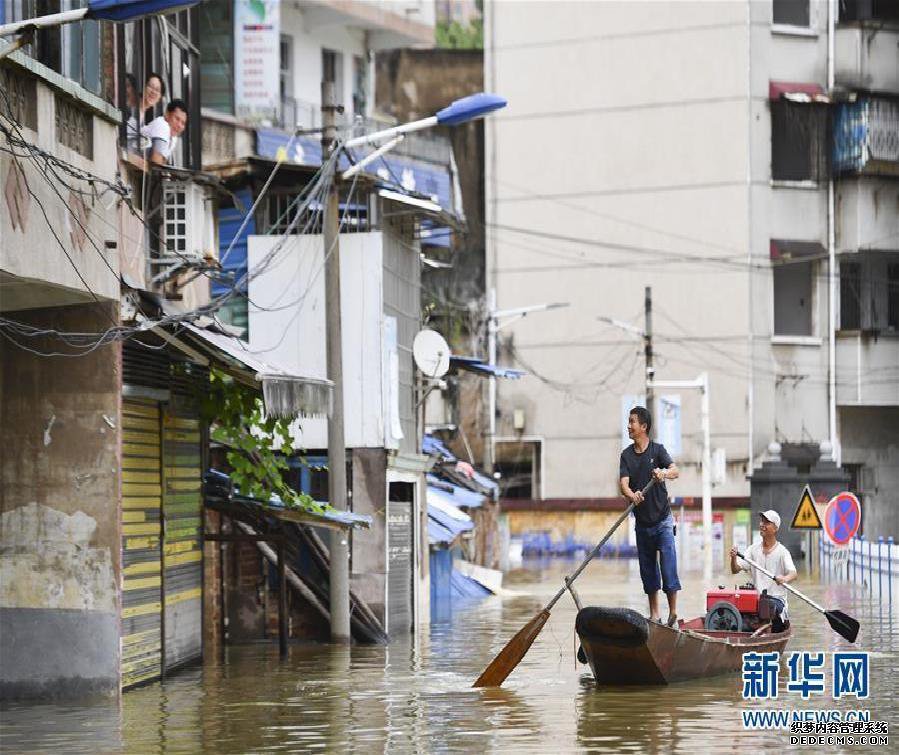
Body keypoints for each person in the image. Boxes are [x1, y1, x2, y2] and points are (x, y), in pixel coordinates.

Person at [619, 406, 681, 626]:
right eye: (628, 421)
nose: (629, 426)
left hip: (663, 521)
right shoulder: (626, 455)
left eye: (632, 422)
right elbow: (623, 485)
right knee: (648, 570)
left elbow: (675, 470)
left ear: (643, 426)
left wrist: (662, 473)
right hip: (642, 524)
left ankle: (673, 611)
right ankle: (655, 615)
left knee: (668, 566)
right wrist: (631, 495)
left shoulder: (657, 451)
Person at [729, 510, 797, 632]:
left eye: (767, 522)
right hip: (757, 599)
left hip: (776, 601)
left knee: (767, 606)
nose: (762, 524)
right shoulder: (753, 549)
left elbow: (793, 573)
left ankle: (764, 628)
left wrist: (784, 579)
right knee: (738, 606)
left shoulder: (782, 552)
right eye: (761, 521)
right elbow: (735, 570)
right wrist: (733, 558)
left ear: (775, 528)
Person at [125, 72, 165, 154]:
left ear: (159, 98)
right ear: (143, 87)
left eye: (157, 90)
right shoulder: (130, 109)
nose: (153, 92)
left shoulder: (142, 116)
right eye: (151, 86)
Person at [141, 99, 188, 166]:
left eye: (183, 123)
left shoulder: (173, 138)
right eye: (177, 119)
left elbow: (162, 162)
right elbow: (156, 162)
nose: (179, 125)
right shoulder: (162, 125)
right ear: (167, 114)